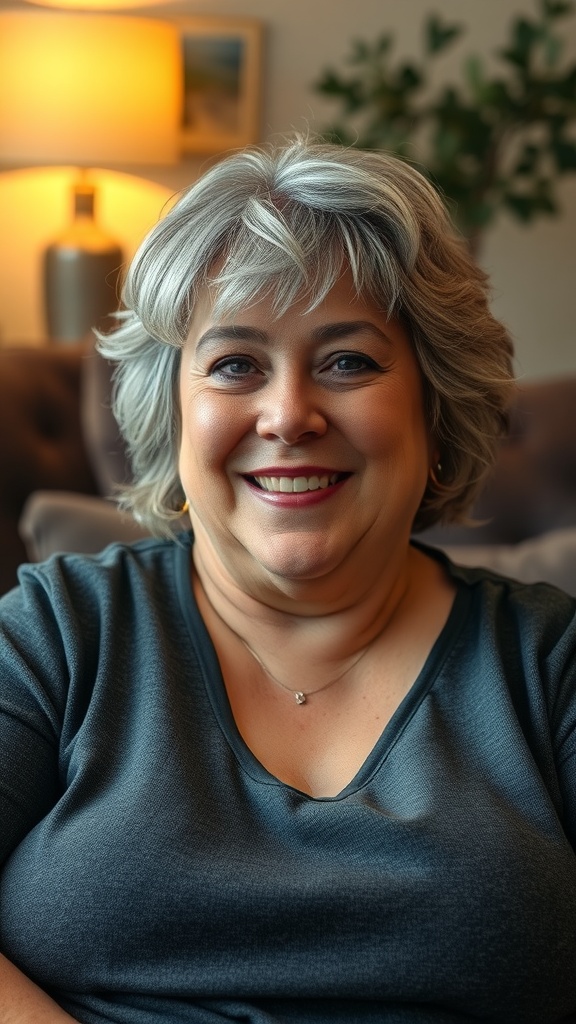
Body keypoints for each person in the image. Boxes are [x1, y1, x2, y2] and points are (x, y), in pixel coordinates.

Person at [0, 137, 575, 1024]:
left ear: (433, 400)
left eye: (349, 361)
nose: (288, 415)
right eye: (236, 364)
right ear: (172, 405)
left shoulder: (550, 664)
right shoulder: (61, 630)